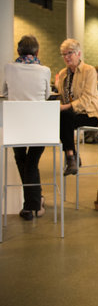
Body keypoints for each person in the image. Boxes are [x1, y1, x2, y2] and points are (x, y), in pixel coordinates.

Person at [2, 35, 51, 220]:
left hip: (16, 125)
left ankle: (33, 203)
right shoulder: (45, 70)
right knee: (31, 163)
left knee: (22, 159)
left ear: (18, 51)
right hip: (41, 127)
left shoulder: (8, 68)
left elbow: (4, 91)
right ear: (37, 52)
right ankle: (34, 203)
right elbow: (46, 96)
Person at [57, 38, 98, 175]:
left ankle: (71, 157)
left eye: (69, 53)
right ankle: (72, 155)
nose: (66, 57)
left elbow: (87, 99)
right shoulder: (63, 73)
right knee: (61, 117)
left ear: (78, 54)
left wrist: (66, 107)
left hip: (89, 114)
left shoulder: (90, 71)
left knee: (65, 115)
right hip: (70, 115)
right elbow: (61, 96)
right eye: (63, 54)